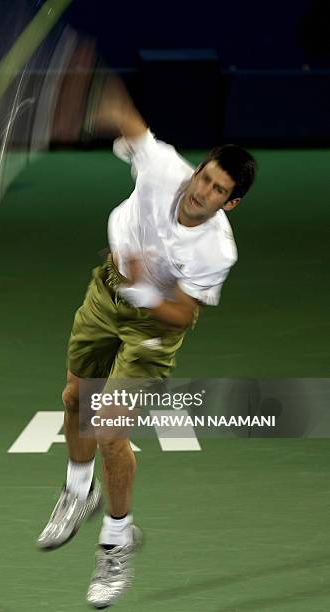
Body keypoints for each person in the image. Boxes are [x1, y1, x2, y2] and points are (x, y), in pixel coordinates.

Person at [36, 80, 257, 608]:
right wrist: (89, 97)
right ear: (198, 167)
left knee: (109, 425)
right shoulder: (162, 169)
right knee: (74, 399)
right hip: (105, 293)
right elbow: (124, 113)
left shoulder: (216, 252)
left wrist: (143, 288)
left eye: (218, 190)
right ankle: (78, 490)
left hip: (153, 328)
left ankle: (116, 541)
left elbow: (182, 315)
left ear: (232, 202)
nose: (201, 192)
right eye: (204, 177)